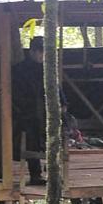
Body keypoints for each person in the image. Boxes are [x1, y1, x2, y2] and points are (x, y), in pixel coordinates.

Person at [12, 37, 66, 186]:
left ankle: (53, 172)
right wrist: (25, 111)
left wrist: (62, 104)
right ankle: (36, 174)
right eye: (40, 52)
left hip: (47, 112)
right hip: (28, 114)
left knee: (54, 141)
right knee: (32, 143)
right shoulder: (19, 70)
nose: (42, 56)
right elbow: (16, 95)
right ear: (32, 52)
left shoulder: (48, 68)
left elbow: (56, 88)